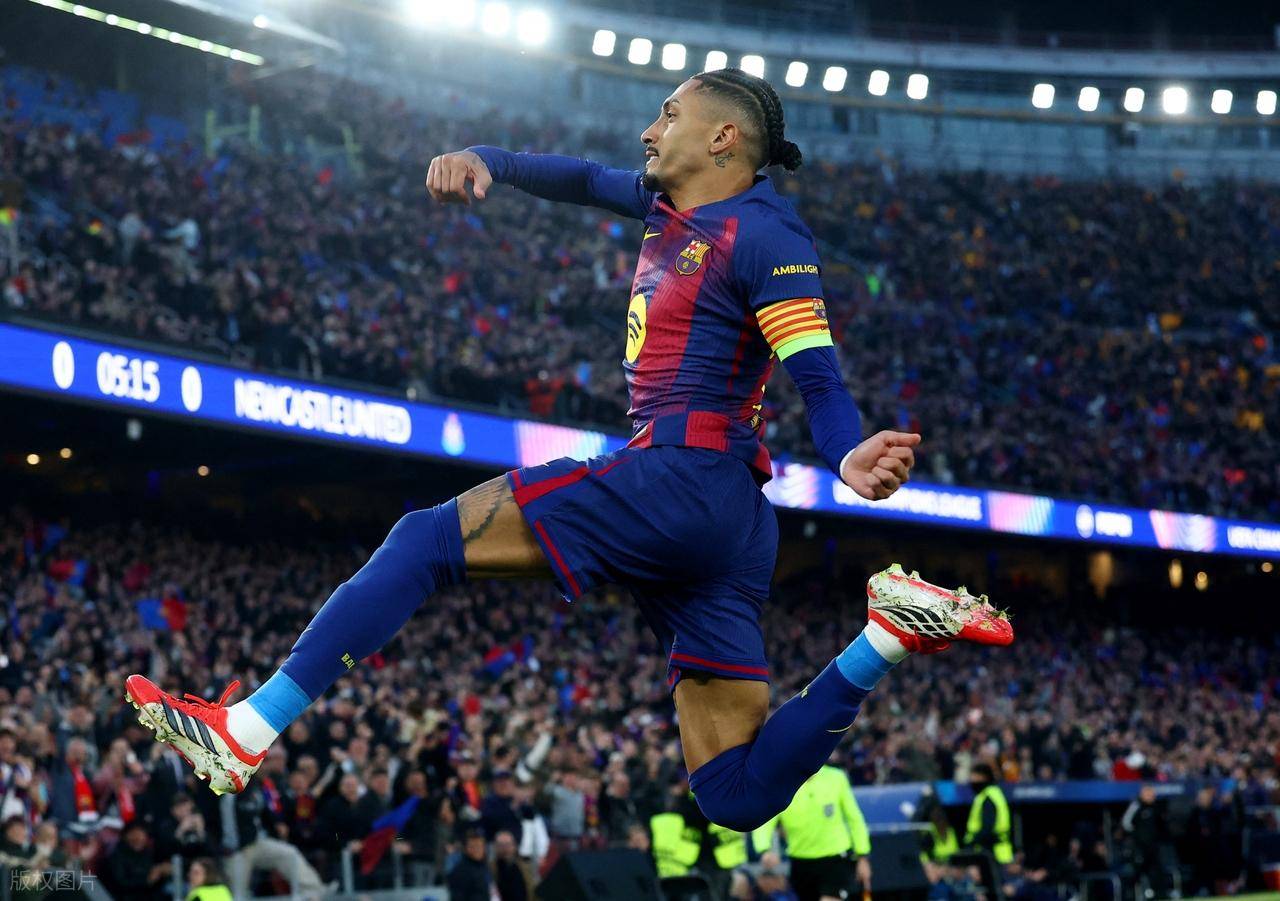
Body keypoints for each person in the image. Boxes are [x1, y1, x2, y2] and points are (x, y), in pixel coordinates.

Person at [124, 67, 1013, 834]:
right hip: (729, 520)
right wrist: (488, 159)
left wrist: (848, 453)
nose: (649, 129)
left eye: (669, 114)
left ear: (724, 138)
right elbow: (584, 178)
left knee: (425, 539)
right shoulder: (668, 204)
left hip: (681, 477)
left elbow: (815, 375)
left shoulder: (767, 235)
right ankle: (885, 636)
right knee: (734, 794)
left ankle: (249, 728)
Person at [753, 765, 871, 901]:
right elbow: (765, 820)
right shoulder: (780, 784)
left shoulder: (836, 778)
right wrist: (764, 849)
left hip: (835, 859)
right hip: (800, 861)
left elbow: (854, 819)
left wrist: (863, 856)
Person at [963, 763, 1013, 866]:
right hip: (998, 851)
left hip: (992, 852)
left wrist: (970, 844)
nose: (971, 781)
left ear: (983, 777)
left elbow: (987, 828)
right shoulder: (994, 793)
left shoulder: (988, 797)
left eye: (974, 777)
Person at [447, 827, 495, 901]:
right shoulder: (460, 872)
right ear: (465, 848)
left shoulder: (485, 867)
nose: (477, 850)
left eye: (480, 846)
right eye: (473, 846)